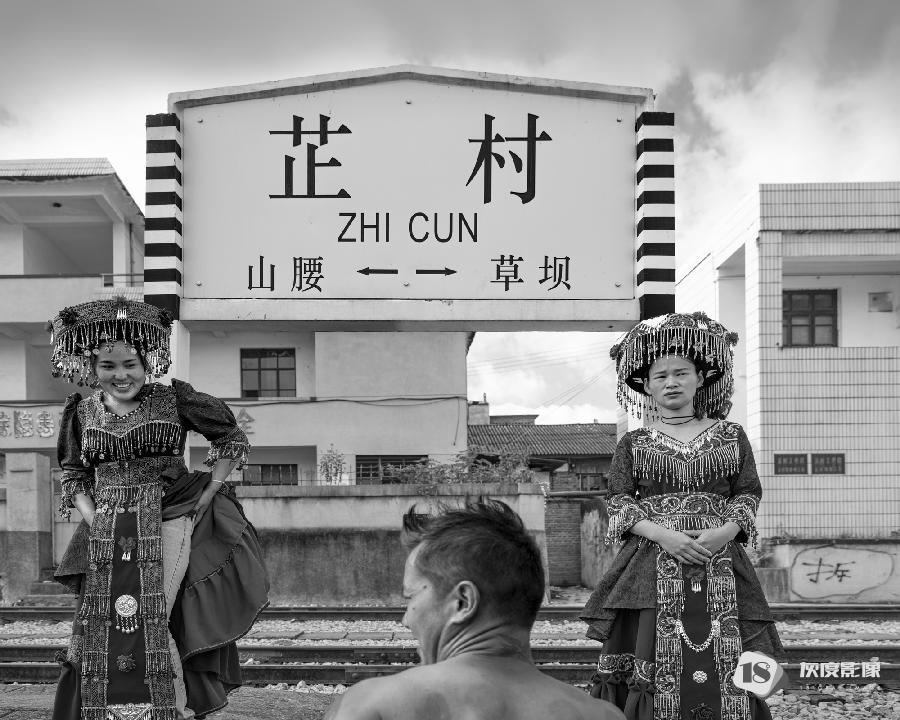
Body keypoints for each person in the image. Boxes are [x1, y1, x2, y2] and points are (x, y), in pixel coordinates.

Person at [48, 298, 270, 720]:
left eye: (129, 364)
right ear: (92, 367)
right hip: (107, 527)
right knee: (105, 622)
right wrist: (96, 519)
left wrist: (210, 491)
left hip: (168, 516)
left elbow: (230, 437)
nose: (121, 375)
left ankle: (172, 710)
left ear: (146, 362)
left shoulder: (173, 401)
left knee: (152, 614)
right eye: (108, 366)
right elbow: (74, 474)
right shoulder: (82, 412)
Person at [581, 312, 784, 720]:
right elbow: (618, 499)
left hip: (720, 558)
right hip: (651, 560)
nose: (671, 382)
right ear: (646, 386)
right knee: (651, 649)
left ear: (700, 378)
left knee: (732, 650)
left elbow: (748, 492)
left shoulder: (731, 435)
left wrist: (724, 533)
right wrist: (664, 535)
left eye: (680, 373)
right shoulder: (635, 442)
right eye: (660, 376)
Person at [325, 499, 624, 720]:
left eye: (411, 596)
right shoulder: (603, 715)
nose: (406, 619)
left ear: (463, 602)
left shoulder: (373, 706)